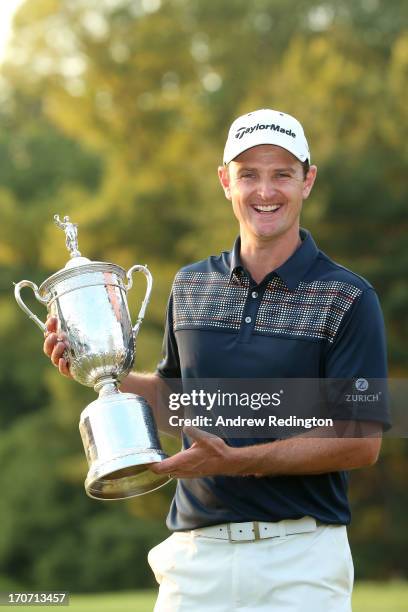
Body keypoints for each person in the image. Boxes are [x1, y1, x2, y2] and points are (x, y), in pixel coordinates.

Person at [44, 109, 391, 611]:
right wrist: (100, 373)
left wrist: (240, 461)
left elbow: (361, 440)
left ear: (307, 181)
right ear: (225, 180)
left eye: (282, 174)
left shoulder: (348, 297)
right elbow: (177, 406)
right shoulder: (190, 285)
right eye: (248, 174)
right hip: (195, 560)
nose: (264, 191)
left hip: (300, 562)